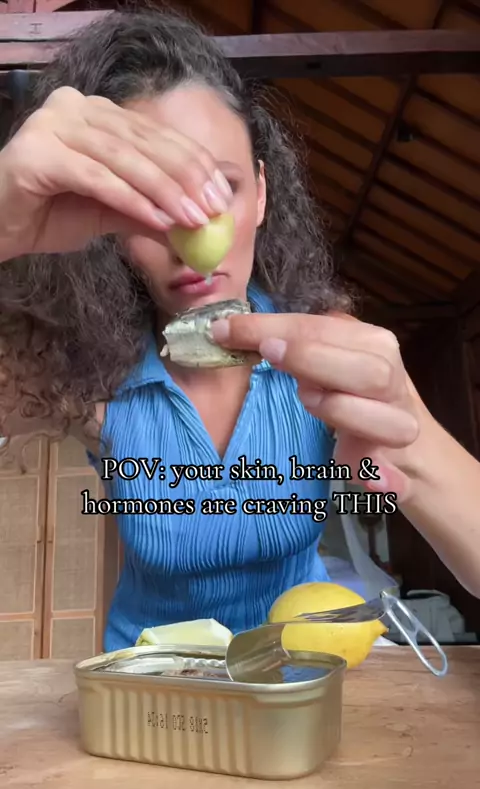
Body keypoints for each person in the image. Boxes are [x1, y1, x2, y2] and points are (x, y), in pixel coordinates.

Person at [0, 9, 479, 652]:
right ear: (109, 228)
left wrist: (412, 452)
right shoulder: (89, 374)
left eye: (218, 188)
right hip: (155, 685)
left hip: (300, 672)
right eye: (147, 203)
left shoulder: (327, 352)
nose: (189, 238)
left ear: (260, 194)